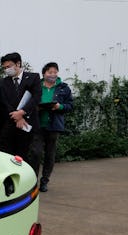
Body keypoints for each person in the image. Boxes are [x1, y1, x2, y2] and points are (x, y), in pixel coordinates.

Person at [0, 52, 42, 175]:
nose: (7, 70)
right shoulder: (2, 83)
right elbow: (4, 103)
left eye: (9, 66)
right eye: (5, 68)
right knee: (10, 156)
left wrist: (22, 113)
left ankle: (31, 182)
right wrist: (17, 117)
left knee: (31, 156)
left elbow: (36, 97)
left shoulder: (33, 78)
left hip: (29, 124)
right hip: (12, 125)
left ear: (18, 64)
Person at [34, 62, 73, 192]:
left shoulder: (63, 88)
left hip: (54, 125)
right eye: (50, 72)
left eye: (55, 72)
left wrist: (59, 106)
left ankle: (44, 181)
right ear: (44, 73)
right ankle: (32, 181)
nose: (53, 75)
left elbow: (70, 105)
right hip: (38, 125)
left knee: (50, 154)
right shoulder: (37, 86)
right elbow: (28, 101)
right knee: (36, 152)